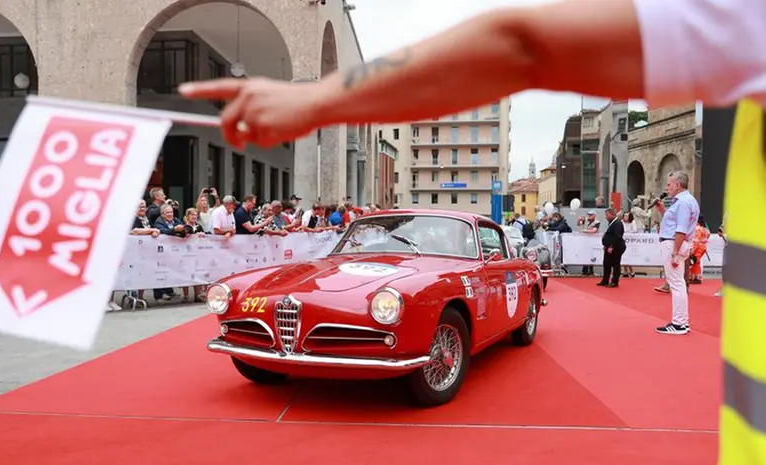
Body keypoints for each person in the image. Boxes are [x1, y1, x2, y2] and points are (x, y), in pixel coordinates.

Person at [178, 0, 765, 460]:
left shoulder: (487, 255)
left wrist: (317, 102)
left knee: (426, 315)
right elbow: (520, 44)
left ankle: (418, 352)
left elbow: (521, 44)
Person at [654, 172, 700, 335]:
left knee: (676, 283)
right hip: (676, 242)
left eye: (669, 184)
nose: (667, 187)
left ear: (677, 185)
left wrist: (674, 252)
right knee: (678, 283)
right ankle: (681, 322)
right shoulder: (686, 201)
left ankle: (679, 323)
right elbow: (676, 224)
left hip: (674, 243)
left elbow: (680, 229)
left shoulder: (683, 202)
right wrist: (662, 210)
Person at [598, 208, 625, 288]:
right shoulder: (611, 223)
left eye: (607, 215)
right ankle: (605, 280)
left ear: (612, 214)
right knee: (606, 263)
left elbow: (617, 236)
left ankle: (614, 281)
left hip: (616, 247)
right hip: (608, 247)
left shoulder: (617, 223)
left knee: (615, 264)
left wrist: (611, 246)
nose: (606, 217)